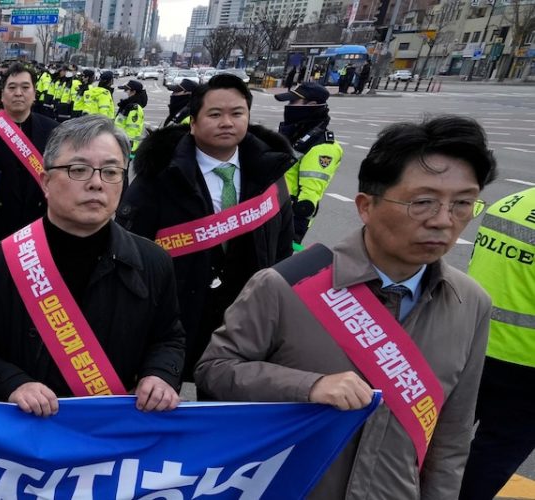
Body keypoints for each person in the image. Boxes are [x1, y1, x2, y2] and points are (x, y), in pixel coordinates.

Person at [197, 115, 498, 499]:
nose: (443, 221)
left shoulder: (470, 303)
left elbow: (451, 440)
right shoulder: (287, 286)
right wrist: (308, 386)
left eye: (462, 204)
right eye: (423, 202)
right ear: (366, 206)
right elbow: (214, 372)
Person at [0, 115, 184, 415]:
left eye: (111, 171)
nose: (97, 184)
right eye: (79, 170)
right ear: (46, 181)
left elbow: (168, 337)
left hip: (110, 433)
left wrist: (161, 374)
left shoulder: (152, 262)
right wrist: (12, 384)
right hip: (19, 435)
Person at [118, 73, 296, 384]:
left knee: (231, 407)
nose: (227, 122)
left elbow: (281, 248)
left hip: (246, 314)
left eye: (237, 113)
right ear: (193, 122)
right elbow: (129, 247)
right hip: (174, 312)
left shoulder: (269, 173)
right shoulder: (160, 174)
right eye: (215, 114)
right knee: (159, 401)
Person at [461, 186, 535, 500]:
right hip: (526, 362)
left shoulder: (512, 202)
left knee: (439, 439)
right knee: (494, 454)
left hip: (470, 341)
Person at [0, 65, 61, 243]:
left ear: (34, 93)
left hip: (39, 225)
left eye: (25, 87)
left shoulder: (53, 130)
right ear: (2, 95)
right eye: (12, 88)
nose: (18, 93)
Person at [275, 82, 342, 250]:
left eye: (293, 102)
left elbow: (308, 198)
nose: (288, 106)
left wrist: (293, 233)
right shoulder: (296, 134)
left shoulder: (322, 146)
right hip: (269, 209)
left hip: (284, 221)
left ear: (312, 105)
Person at [115, 80, 148, 153]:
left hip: (126, 147)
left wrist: (126, 147)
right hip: (121, 144)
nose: (125, 92)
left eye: (126, 90)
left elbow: (132, 131)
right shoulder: (128, 105)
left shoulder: (134, 108)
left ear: (133, 92)